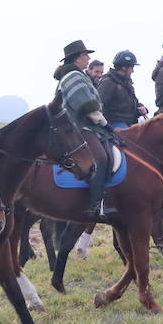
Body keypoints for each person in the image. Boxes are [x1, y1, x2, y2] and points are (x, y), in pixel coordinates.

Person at [55, 39, 112, 219]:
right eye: (85, 55)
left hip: (84, 126)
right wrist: (104, 123)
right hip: (79, 127)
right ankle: (95, 205)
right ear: (76, 58)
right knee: (100, 159)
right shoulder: (73, 76)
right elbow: (86, 105)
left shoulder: (77, 74)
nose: (88, 58)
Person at [98, 50, 147, 130]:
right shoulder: (108, 82)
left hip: (130, 123)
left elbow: (135, 102)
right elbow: (99, 103)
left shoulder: (127, 83)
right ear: (124, 67)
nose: (133, 71)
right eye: (132, 67)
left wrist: (142, 108)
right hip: (114, 124)